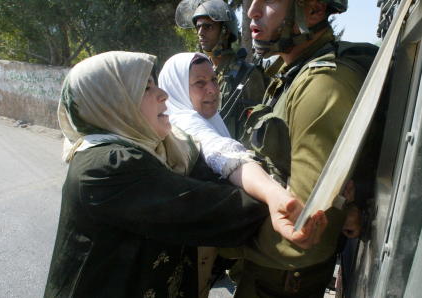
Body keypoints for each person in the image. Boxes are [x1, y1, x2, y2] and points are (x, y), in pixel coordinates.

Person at [43, 51, 326, 298]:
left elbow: (215, 171)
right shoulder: (105, 166)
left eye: (156, 85)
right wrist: (292, 205)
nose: (162, 94)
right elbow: (203, 208)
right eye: (146, 88)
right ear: (113, 103)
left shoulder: (166, 146)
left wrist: (276, 189)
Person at [226, 0, 371, 296]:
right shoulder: (293, 73)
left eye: (268, 1)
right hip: (270, 273)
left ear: (314, 11)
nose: (252, 11)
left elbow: (304, 235)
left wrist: (220, 242)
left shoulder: (323, 84)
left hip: (281, 281)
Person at [159, 52, 332, 294]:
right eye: (199, 83)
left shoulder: (202, 117)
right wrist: (274, 195)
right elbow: (225, 154)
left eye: (214, 80)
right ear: (175, 88)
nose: (212, 89)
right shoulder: (186, 123)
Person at [177, 0, 266, 139]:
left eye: (208, 27)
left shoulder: (247, 75)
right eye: (199, 27)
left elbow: (260, 130)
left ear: (225, 32)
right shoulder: (195, 74)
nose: (201, 32)